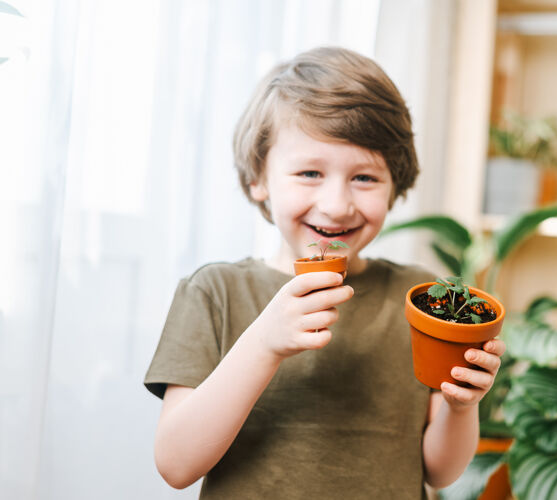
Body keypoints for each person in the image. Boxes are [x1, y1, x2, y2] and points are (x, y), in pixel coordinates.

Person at [144, 46, 504, 499]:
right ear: (259, 178)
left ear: (396, 184)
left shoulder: (419, 297)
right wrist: (264, 343)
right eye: (311, 172)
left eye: (365, 178)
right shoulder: (216, 292)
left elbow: (439, 471)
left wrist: (459, 406)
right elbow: (176, 465)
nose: (337, 205)